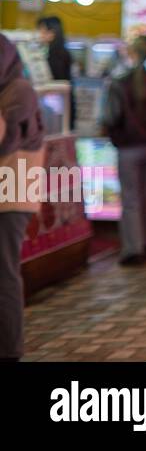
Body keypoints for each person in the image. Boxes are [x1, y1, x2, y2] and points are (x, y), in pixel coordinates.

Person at [0, 34, 44, 361]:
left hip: (11, 194)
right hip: (9, 192)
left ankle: (9, 348)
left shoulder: (19, 91)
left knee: (5, 273)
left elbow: (5, 142)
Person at [101, 36, 146, 265]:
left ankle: (133, 248)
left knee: (131, 200)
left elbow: (111, 116)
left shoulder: (118, 83)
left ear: (131, 52)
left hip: (128, 148)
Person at [35, 15, 75, 128]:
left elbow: (57, 80)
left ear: (52, 33)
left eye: (42, 31)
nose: (39, 34)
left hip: (58, 103)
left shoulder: (56, 55)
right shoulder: (60, 52)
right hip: (62, 102)